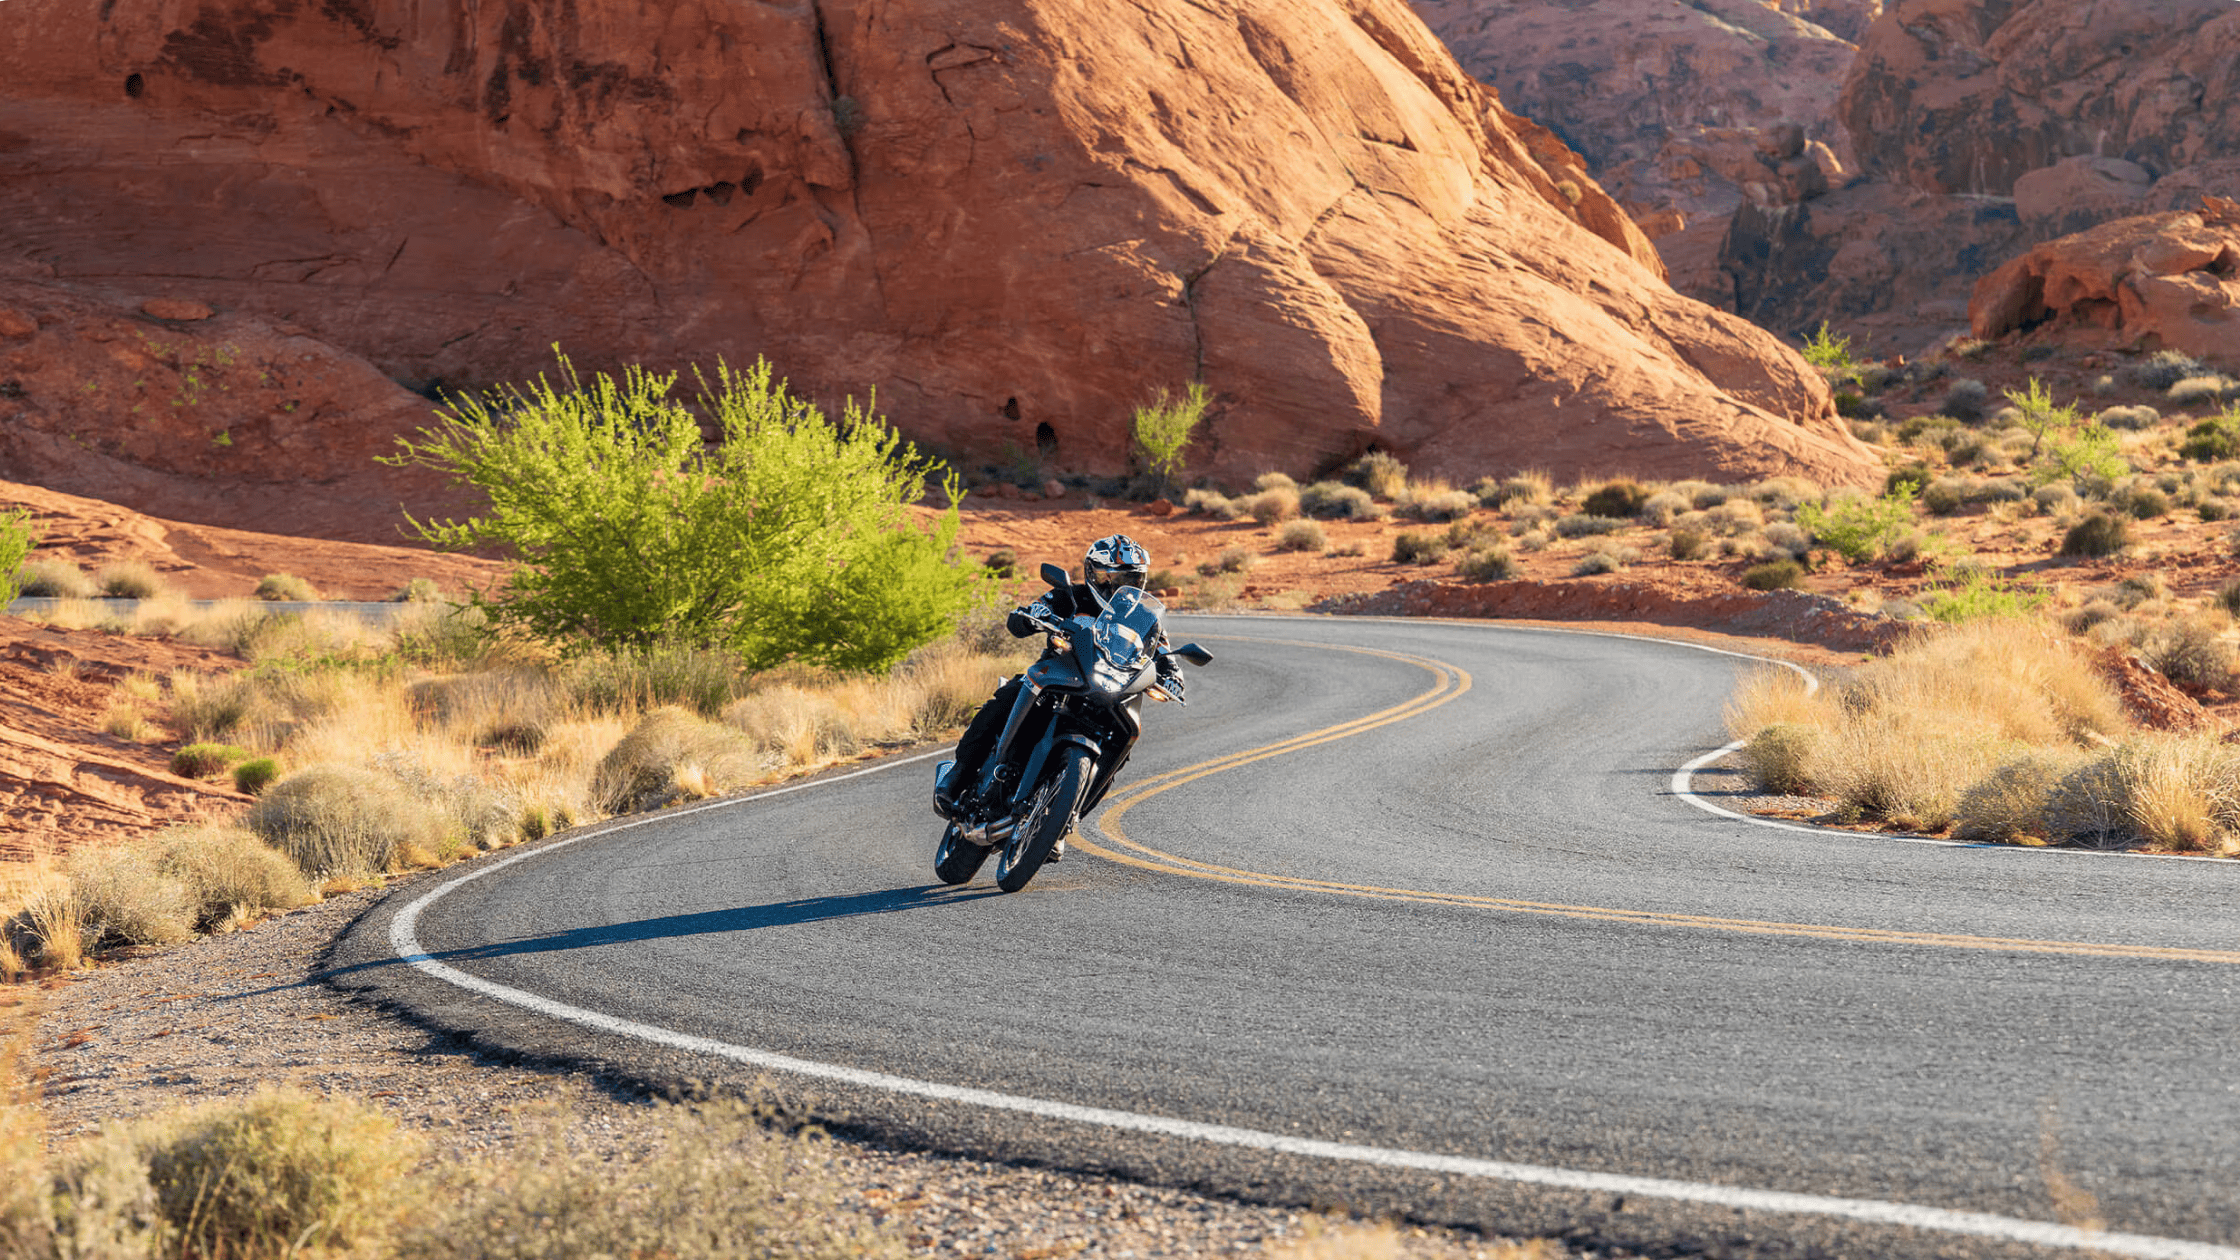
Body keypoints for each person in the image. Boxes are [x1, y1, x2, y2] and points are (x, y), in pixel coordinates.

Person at [936, 533, 1182, 823]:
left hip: (1110, 690)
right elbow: (1019, 620)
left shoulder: (1141, 617)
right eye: (1112, 578)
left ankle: (1068, 819)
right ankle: (957, 775)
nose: (1119, 586)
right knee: (1006, 697)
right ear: (1092, 572)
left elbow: (1163, 652)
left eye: (1131, 579)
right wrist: (1031, 615)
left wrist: (1173, 675)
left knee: (1122, 743)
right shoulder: (1070, 595)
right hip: (1058, 674)